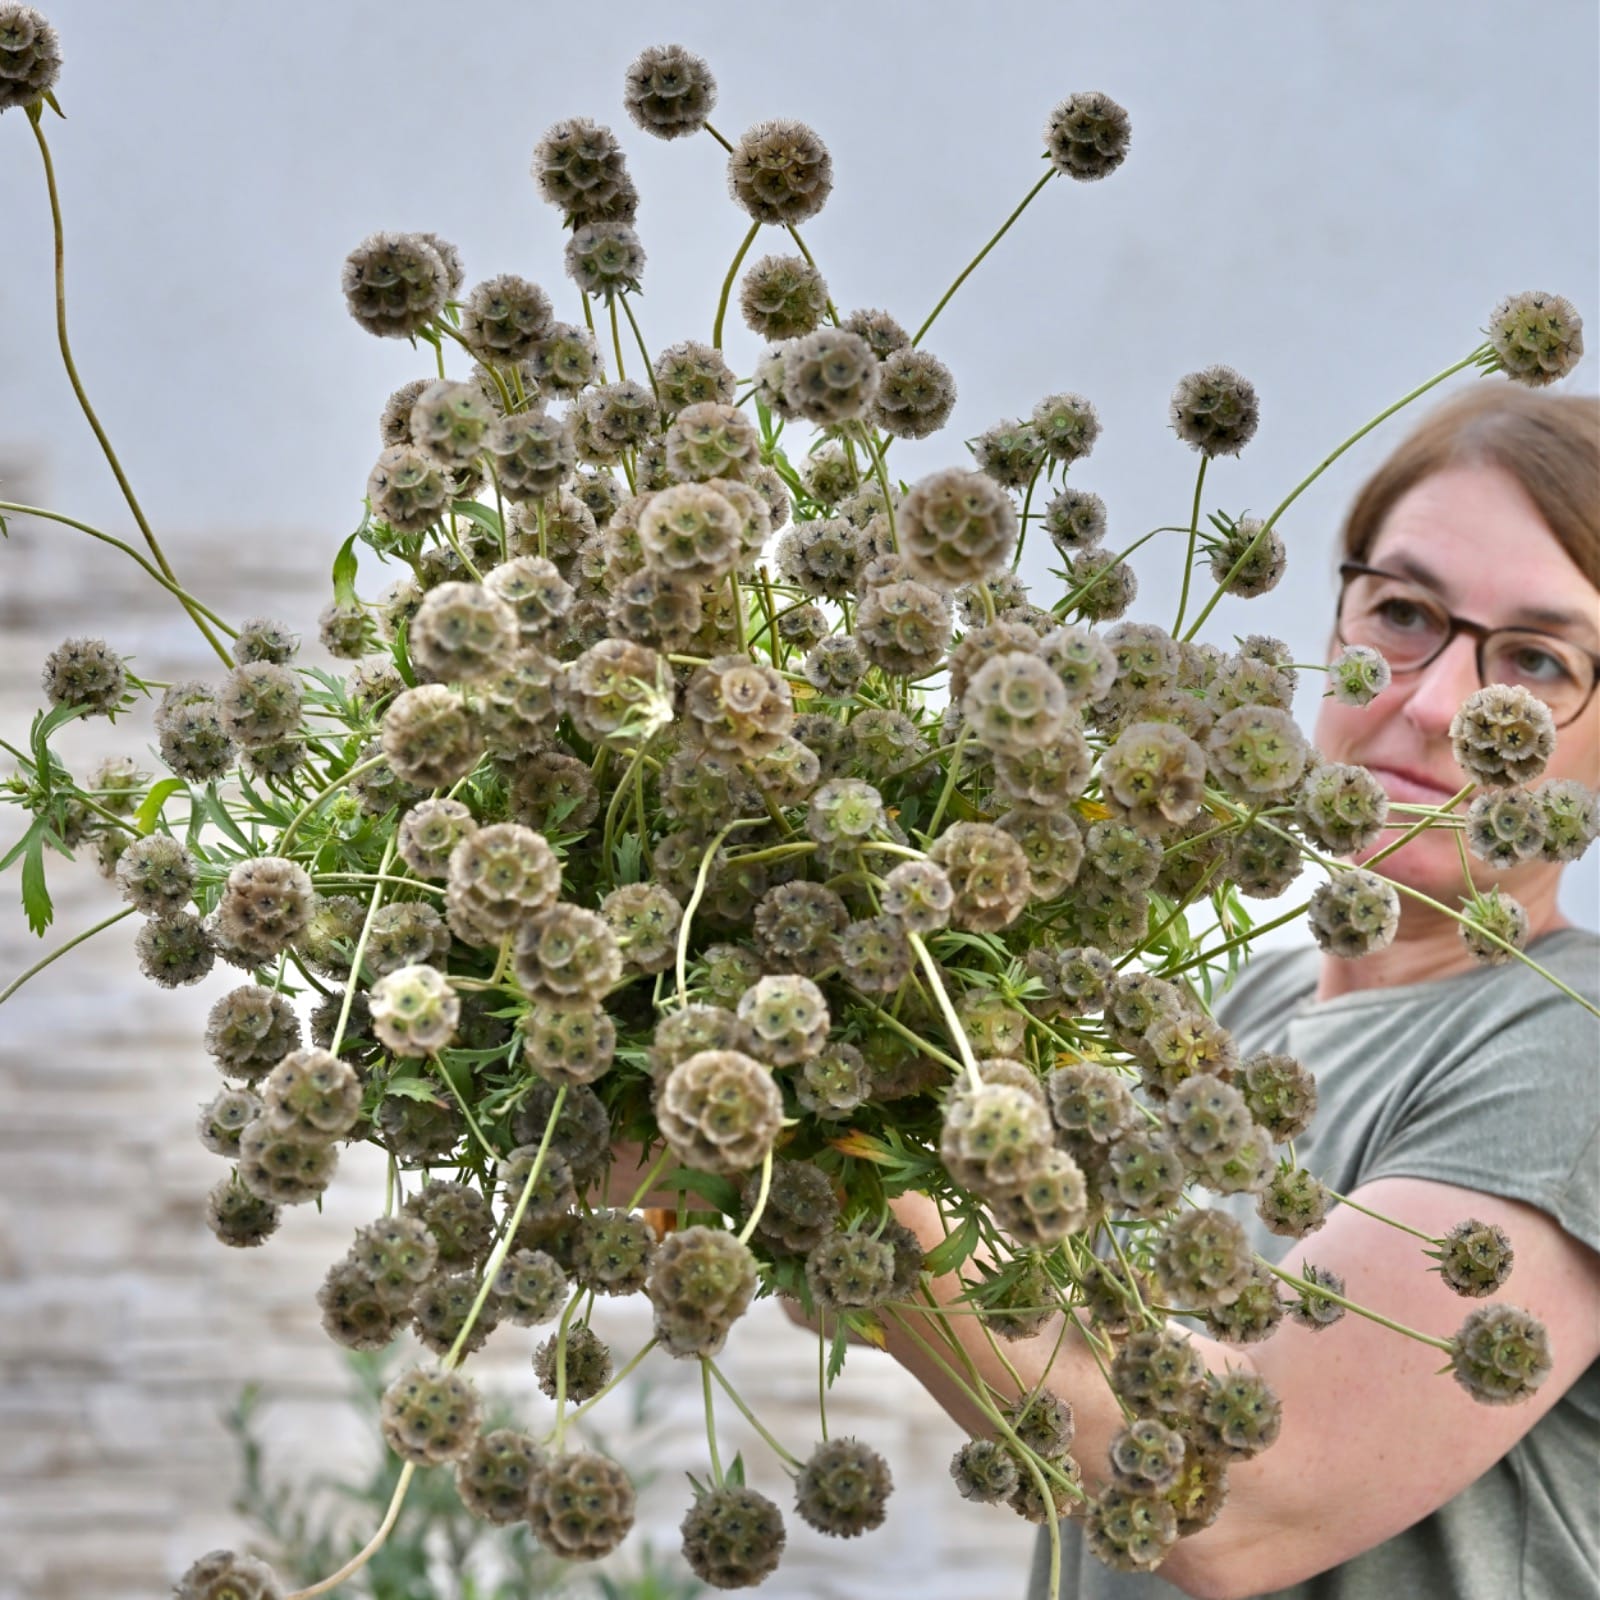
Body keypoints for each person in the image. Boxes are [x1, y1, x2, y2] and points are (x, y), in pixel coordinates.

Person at [880, 382, 1600, 1599]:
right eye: (1403, 611)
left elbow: (1242, 1498)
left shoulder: (1571, 1043)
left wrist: (825, 1160)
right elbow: (1016, 1352)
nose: (1432, 705)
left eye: (1535, 658)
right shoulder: (1215, 1009)